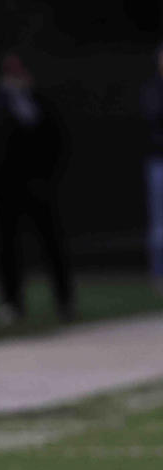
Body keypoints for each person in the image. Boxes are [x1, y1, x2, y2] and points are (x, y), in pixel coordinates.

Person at [0, 52, 73, 324]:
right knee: (7, 248)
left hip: (39, 186)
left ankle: (64, 300)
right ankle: (11, 301)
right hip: (5, 189)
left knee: (52, 245)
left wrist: (49, 179)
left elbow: (58, 142)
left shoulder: (39, 102)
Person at [140, 42, 163, 294]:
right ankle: (159, 274)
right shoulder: (153, 90)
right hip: (159, 161)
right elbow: (152, 120)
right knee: (159, 224)